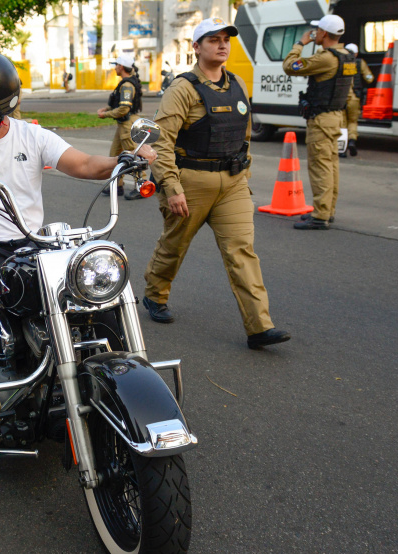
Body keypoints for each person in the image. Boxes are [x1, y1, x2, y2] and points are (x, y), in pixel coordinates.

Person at [0, 51, 155, 417]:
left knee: (87, 284)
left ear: (2, 98)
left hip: (30, 241)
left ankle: (118, 368)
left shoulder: (32, 136)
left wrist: (124, 160)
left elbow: (84, 164)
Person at [141, 18, 290, 350]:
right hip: (190, 183)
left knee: (242, 252)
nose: (222, 45)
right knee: (175, 245)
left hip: (233, 183)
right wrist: (172, 187)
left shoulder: (237, 83)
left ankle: (259, 327)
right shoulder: (182, 89)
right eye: (213, 40)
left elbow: (243, 136)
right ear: (196, 47)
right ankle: (155, 294)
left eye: (226, 39)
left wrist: (243, 177)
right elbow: (160, 143)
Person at [283, 14, 356, 230]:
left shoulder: (326, 58)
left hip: (322, 119)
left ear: (323, 33)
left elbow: (290, 66)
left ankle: (320, 215)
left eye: (318, 31)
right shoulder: (347, 55)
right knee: (330, 165)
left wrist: (300, 43)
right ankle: (327, 210)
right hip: (335, 117)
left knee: (320, 167)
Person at [97, 54, 144, 200]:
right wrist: (106, 109)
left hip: (127, 124)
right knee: (115, 155)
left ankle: (141, 187)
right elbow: (118, 104)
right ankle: (117, 186)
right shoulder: (125, 83)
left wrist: (105, 114)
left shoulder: (127, 85)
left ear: (121, 67)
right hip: (123, 124)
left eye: (116, 65)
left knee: (133, 157)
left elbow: (124, 109)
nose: (115, 68)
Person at [340, 43, 374, 158]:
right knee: (352, 121)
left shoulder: (339, 62)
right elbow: (369, 79)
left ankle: (342, 149)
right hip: (354, 97)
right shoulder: (360, 63)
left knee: (342, 123)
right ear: (356, 53)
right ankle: (352, 141)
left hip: (341, 97)